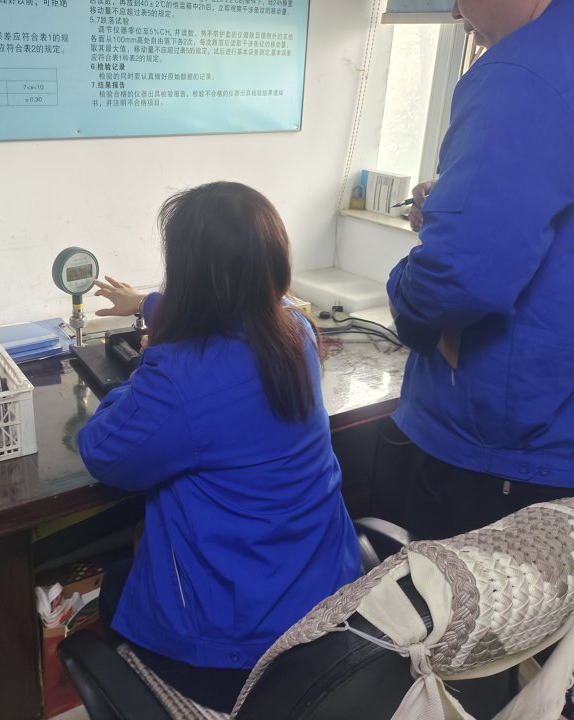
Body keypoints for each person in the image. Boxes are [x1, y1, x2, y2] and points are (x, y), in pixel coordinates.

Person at [77, 181, 361, 712]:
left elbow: (103, 452)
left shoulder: (179, 376)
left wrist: (149, 362)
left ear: (188, 274)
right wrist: (148, 304)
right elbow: (235, 312)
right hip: (325, 612)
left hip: (233, 650)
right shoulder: (296, 333)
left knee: (116, 587)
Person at [387, 0, 574, 541]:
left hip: (510, 455)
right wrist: (457, 205)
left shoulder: (520, 73)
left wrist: (402, 292)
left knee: (454, 594)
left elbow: (461, 279)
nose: (453, 12)